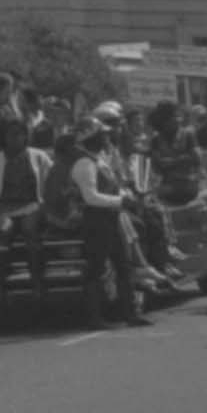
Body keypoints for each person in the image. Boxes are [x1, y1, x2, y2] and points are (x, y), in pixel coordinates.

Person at [71, 128, 151, 328]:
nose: (106, 138)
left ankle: (129, 313)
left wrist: (127, 195)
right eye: (102, 136)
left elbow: (113, 186)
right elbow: (90, 197)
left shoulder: (99, 161)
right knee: (96, 268)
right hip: (96, 220)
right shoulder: (84, 164)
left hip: (110, 217)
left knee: (123, 265)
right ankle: (94, 317)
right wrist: (121, 201)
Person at [0, 115, 53, 305]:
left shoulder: (38, 156)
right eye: (11, 135)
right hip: (5, 210)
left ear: (26, 136)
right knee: (3, 232)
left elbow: (52, 178)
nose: (16, 138)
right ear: (3, 137)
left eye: (20, 134)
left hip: (31, 206)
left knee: (30, 230)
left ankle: (37, 282)